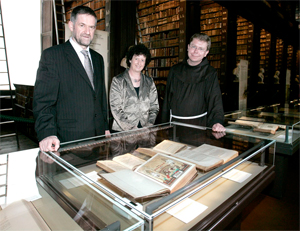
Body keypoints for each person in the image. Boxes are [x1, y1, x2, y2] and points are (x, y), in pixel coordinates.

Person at [33, 6, 110, 152]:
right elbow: (43, 102)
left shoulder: (98, 59)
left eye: (92, 27)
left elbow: (100, 97)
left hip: (98, 138)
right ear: (71, 26)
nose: (88, 32)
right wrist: (47, 133)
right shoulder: (53, 56)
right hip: (68, 140)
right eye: (82, 25)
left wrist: (105, 126)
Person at [162, 33, 225, 132]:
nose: (196, 51)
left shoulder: (210, 72)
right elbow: (167, 100)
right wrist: (163, 125)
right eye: (193, 46)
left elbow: (215, 99)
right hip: (174, 126)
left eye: (201, 49)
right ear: (188, 47)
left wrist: (217, 121)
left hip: (199, 127)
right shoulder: (175, 70)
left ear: (206, 53)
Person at [109, 44, 159, 132]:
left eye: (142, 60)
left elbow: (154, 107)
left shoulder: (149, 82)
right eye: (136, 59)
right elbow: (116, 108)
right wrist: (131, 128)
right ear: (130, 59)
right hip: (123, 132)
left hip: (145, 131)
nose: (139, 63)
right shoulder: (118, 81)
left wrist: (149, 124)